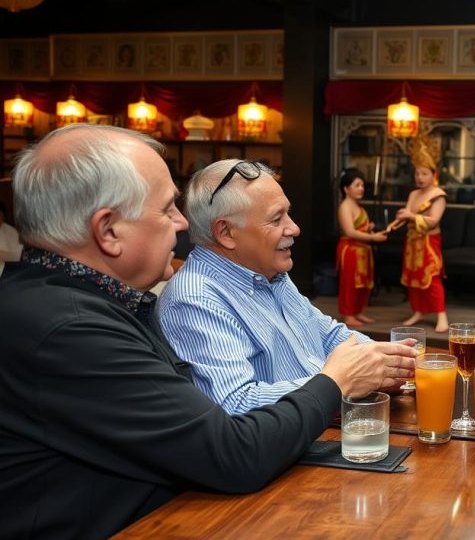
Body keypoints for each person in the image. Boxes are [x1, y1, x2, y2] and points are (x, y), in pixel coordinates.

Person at [0, 124, 416, 537]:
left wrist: (365, 366)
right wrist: (336, 381)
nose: (182, 224)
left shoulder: (76, 303)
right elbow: (234, 451)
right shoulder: (68, 330)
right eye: (166, 209)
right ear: (108, 231)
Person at [158, 158, 413, 415]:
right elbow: (234, 405)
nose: (294, 228)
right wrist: (339, 383)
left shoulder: (269, 273)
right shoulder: (195, 299)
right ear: (226, 232)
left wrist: (392, 361)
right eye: (277, 219)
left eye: (287, 213)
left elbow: (329, 335)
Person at [395, 134, 449, 333]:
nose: (420, 177)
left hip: (428, 241)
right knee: (412, 278)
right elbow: (408, 215)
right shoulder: (413, 194)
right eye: (417, 173)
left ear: (433, 174)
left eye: (424, 174)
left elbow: (433, 221)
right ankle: (418, 311)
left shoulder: (438, 195)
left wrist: (409, 215)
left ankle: (441, 315)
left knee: (432, 277)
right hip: (412, 241)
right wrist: (398, 220)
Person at [336, 167, 387, 326]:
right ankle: (348, 315)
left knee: (363, 284)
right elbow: (350, 232)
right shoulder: (345, 206)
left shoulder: (359, 206)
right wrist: (372, 237)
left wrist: (368, 228)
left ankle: (357, 311)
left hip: (363, 251)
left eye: (362, 185)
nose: (361, 189)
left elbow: (359, 228)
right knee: (350, 283)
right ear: (346, 188)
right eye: (357, 185)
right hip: (351, 250)